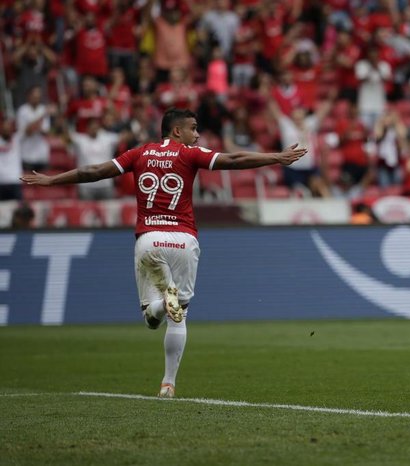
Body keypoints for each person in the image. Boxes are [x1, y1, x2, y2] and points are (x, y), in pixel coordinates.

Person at [20, 108, 307, 398]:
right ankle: (168, 383)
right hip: (184, 240)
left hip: (150, 240)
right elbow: (234, 160)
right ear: (176, 131)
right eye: (193, 128)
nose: (197, 134)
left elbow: (93, 172)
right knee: (178, 315)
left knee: (151, 318)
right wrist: (276, 157)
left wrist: (52, 180)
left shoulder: (139, 154)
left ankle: (164, 305)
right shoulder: (190, 153)